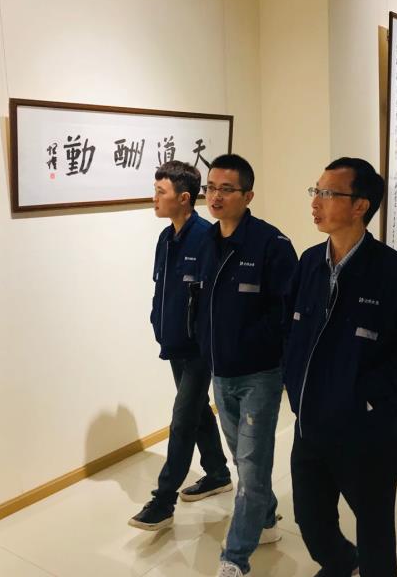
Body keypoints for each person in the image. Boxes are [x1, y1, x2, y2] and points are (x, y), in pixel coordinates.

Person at [283, 158, 397, 577]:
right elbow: (289, 331)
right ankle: (339, 563)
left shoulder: (395, 274)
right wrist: (292, 379)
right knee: (311, 521)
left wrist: (366, 396)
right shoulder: (308, 263)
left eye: (328, 193)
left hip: (366, 435)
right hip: (309, 427)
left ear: (360, 206)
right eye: (315, 191)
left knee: (374, 532)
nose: (315, 202)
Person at [193, 154, 298, 577]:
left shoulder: (272, 245)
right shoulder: (206, 240)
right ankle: (267, 516)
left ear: (248, 195)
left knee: (251, 468)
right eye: (210, 188)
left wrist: (276, 360)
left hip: (260, 374)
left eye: (226, 189)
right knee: (242, 457)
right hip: (221, 373)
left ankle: (234, 558)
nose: (215, 197)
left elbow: (289, 313)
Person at [128, 161, 232, 531]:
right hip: (174, 342)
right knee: (197, 410)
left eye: (161, 192)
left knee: (183, 417)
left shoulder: (207, 238)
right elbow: (163, 289)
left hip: (199, 347)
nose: (154, 198)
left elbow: (214, 299)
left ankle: (163, 501)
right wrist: (158, 324)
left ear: (184, 198)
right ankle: (217, 473)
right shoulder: (165, 238)